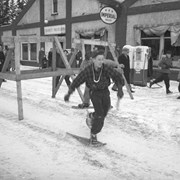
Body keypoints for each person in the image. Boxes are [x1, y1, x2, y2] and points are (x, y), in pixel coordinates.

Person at [64, 50, 124, 145]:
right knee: (100, 115)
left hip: (105, 92)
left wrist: (120, 89)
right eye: (99, 59)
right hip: (94, 93)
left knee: (105, 110)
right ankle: (93, 135)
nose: (101, 62)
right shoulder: (88, 70)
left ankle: (92, 116)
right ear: (93, 60)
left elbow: (117, 76)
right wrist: (69, 93)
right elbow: (77, 81)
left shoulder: (105, 68)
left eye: (102, 59)